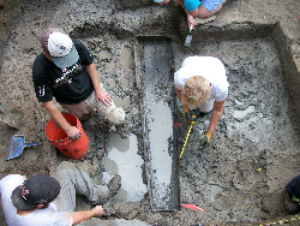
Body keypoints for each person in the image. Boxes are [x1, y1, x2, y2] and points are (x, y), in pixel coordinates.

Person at [32, 28, 125, 141]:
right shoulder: (40, 71)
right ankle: (84, 115)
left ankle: (104, 110)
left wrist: (99, 90)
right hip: (72, 104)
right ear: (47, 54)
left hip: (92, 92)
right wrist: (68, 129)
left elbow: (89, 63)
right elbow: (48, 104)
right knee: (84, 120)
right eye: (61, 60)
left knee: (118, 119)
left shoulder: (74, 45)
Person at [0, 161, 121, 226]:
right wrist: (94, 212)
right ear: (40, 205)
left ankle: (100, 194)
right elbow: (72, 219)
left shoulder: (11, 181)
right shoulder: (45, 220)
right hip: (54, 219)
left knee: (65, 169)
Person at [174, 56, 228, 145]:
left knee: (206, 110)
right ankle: (190, 106)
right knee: (190, 107)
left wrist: (210, 132)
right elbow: (177, 90)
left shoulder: (220, 88)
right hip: (191, 61)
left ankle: (198, 106)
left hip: (215, 64)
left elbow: (218, 110)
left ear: (209, 93)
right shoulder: (180, 78)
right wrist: (184, 107)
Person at [155, 0, 226, 29]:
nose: (161, 4)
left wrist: (191, 15)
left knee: (202, 13)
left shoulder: (189, 2)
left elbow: (195, 13)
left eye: (162, 2)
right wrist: (189, 16)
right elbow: (181, 2)